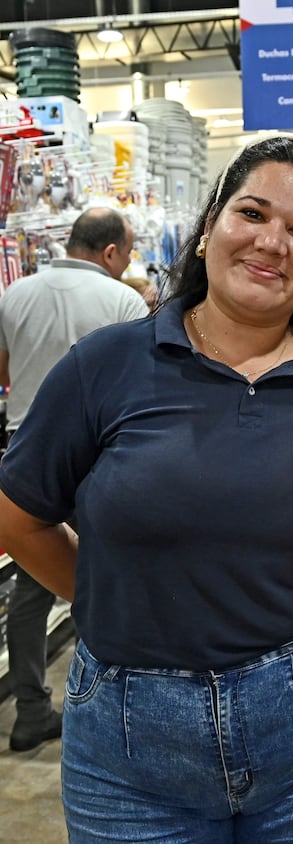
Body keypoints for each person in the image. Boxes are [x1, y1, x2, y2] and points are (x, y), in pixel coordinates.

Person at [0, 133, 293, 843]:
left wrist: (291, 600)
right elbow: (18, 518)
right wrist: (110, 593)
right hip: (131, 735)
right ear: (208, 230)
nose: (272, 241)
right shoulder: (104, 366)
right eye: (251, 213)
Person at [0, 206, 148, 753]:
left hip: (24, 451)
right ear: (111, 253)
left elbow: (3, 370)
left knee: (31, 582)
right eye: (128, 253)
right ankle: (107, 700)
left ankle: (30, 711)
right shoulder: (122, 301)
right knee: (106, 572)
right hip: (98, 455)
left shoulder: (14, 295)